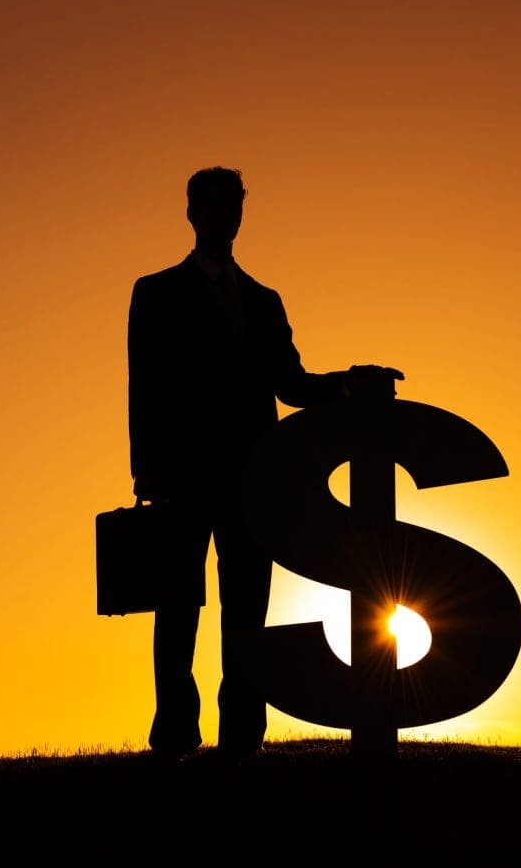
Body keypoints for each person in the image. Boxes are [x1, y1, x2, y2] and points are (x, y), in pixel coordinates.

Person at [127, 166, 403, 758]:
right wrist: (144, 466)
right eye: (214, 205)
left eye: (235, 206)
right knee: (177, 608)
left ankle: (242, 737)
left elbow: (292, 385)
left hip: (254, 478)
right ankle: (175, 732)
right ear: (192, 213)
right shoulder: (154, 292)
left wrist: (350, 383)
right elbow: (144, 384)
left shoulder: (263, 301)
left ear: (240, 215)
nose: (226, 216)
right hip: (180, 476)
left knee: (248, 610)